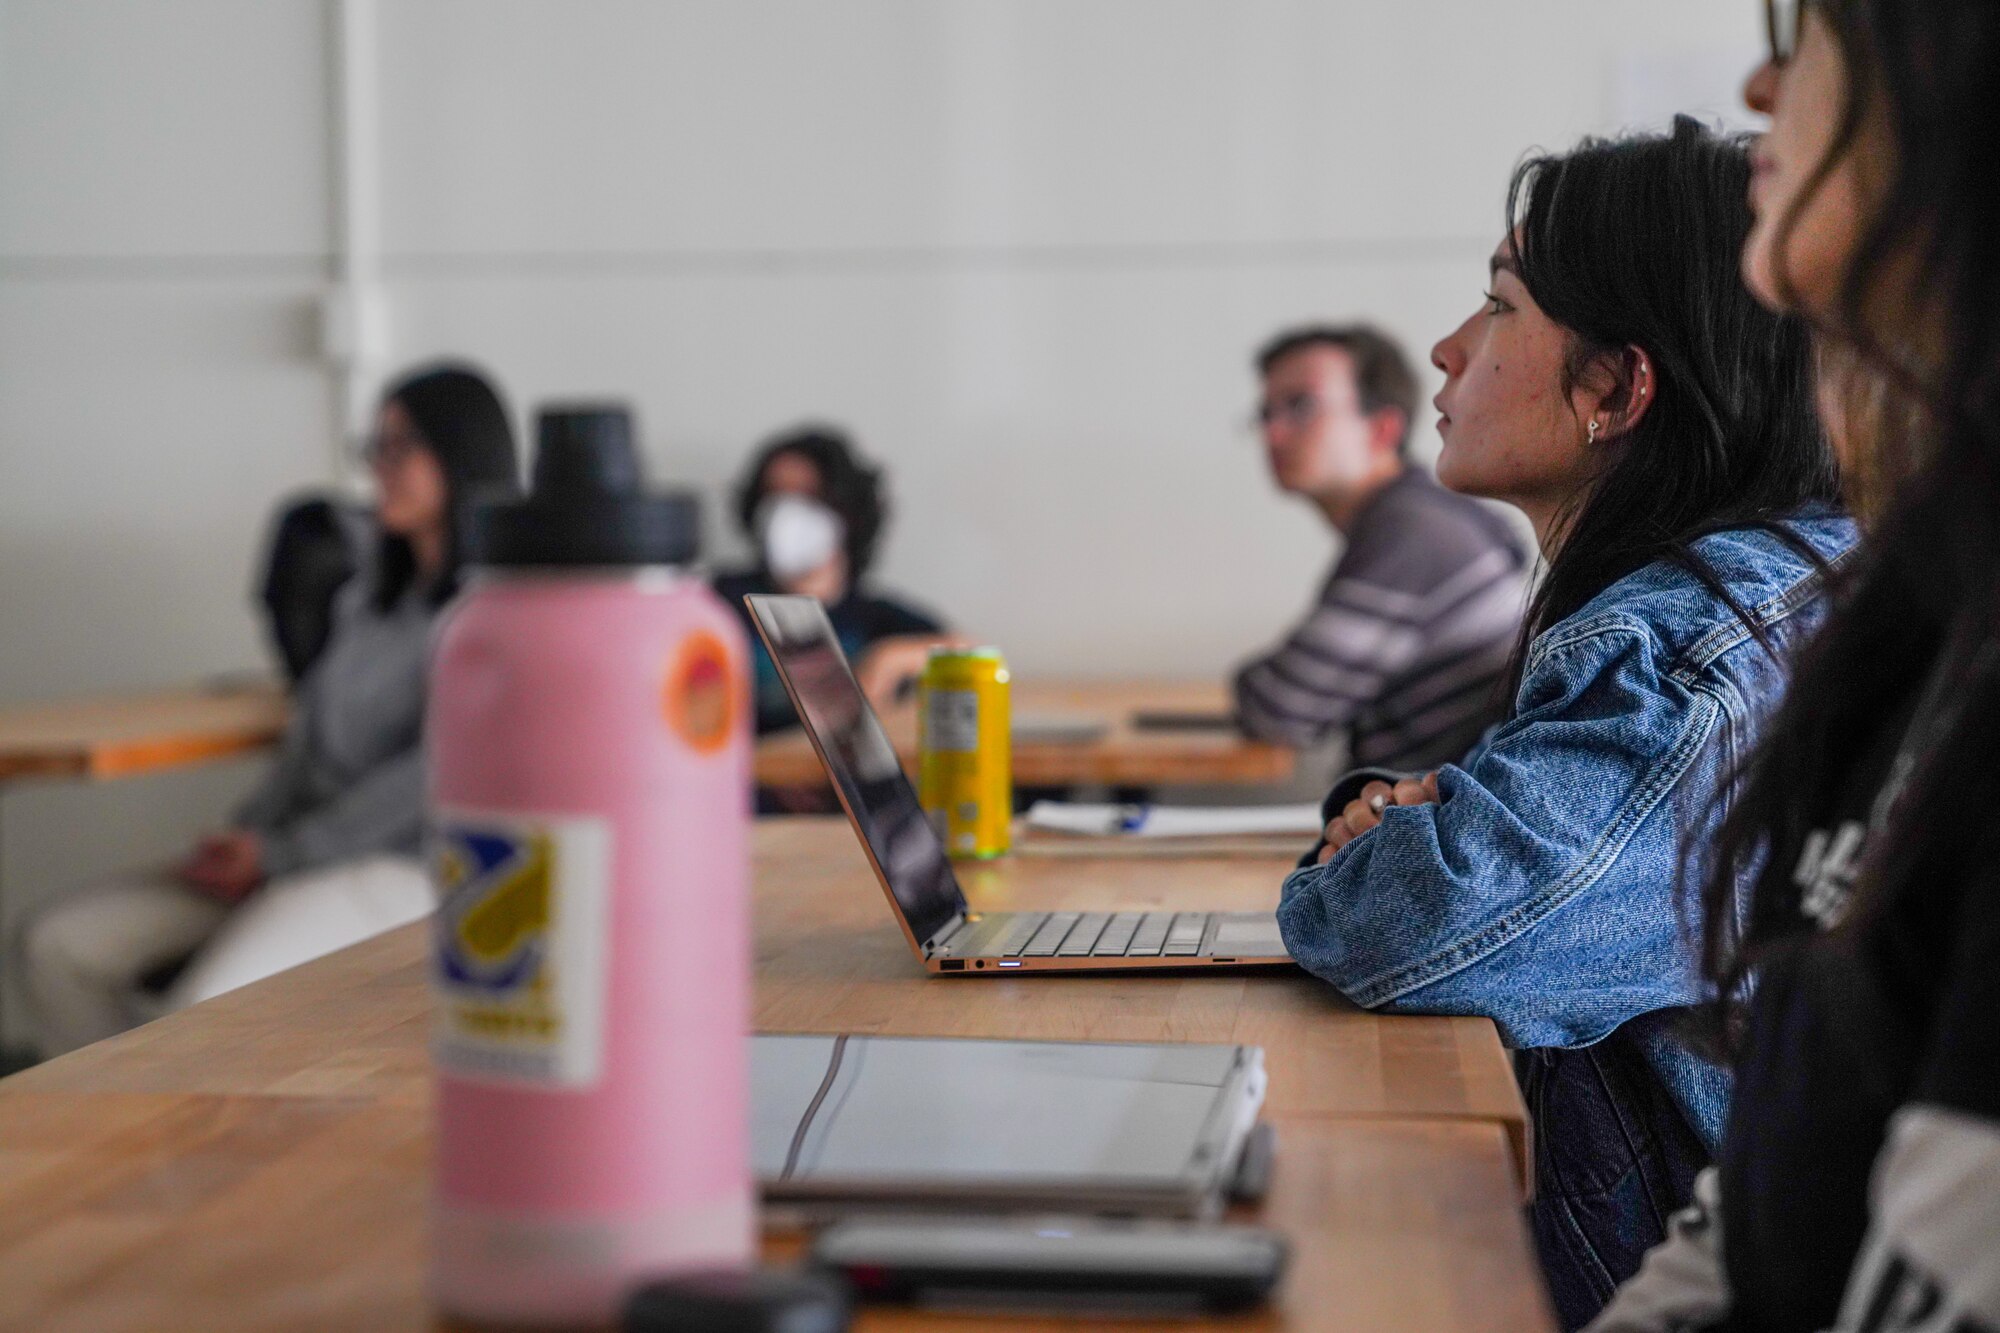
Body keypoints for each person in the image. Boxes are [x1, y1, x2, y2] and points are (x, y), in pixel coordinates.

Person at [1277, 119, 1854, 1329]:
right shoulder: (1767, 580)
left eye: (1495, 307)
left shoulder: (1683, 645)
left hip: (1711, 1274)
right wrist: (1403, 814)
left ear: (1613, 387)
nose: (1443, 350)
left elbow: (1419, 922)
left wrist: (1373, 851)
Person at [1591, 3, 2000, 1329]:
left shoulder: (1679, 615)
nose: (1761, 79)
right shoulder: (1921, 602)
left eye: (1816, 36)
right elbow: (1771, 1196)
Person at [18, 364, 519, 1057]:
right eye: (374, 444)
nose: (379, 465)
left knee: (198, 1012)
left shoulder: (499, 612)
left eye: (400, 446)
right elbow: (307, 744)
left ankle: (164, 1119)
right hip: (289, 849)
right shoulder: (364, 600)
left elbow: (434, 775)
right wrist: (246, 835)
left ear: (461, 458)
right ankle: (124, 1133)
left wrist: (280, 852)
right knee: (57, 946)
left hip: (404, 867)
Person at [1233, 325, 1529, 769]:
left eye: (1300, 405)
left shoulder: (1410, 535)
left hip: (1439, 824)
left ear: (1382, 428)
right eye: (1266, 412)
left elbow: (1281, 710)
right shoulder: (1423, 514)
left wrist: (1245, 683)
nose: (1273, 432)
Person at [713, 426, 953, 734]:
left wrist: (889, 659)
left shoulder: (872, 616)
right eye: (773, 496)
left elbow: (972, 653)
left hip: (829, 778)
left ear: (848, 512)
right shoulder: (721, 601)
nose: (786, 513)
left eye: (809, 497)